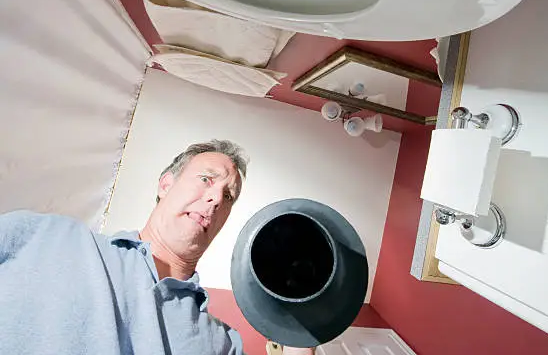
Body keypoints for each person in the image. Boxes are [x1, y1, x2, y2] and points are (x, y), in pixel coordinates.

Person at [0, 140, 313, 355]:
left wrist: (305, 319)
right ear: (166, 184)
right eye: (206, 179)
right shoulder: (47, 235)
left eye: (228, 196)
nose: (216, 198)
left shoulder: (221, 343)